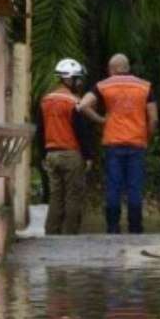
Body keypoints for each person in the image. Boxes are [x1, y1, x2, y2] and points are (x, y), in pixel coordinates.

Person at [78, 53, 157, 234]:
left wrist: (100, 120)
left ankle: (113, 228)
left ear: (112, 69)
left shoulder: (104, 85)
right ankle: (135, 228)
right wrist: (147, 136)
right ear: (127, 67)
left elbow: (82, 106)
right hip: (137, 144)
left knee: (113, 186)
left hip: (113, 144)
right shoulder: (145, 87)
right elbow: (153, 119)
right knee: (134, 187)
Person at [36, 58, 93, 235]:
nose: (80, 82)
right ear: (69, 79)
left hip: (51, 155)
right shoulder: (74, 102)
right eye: (77, 79)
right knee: (73, 196)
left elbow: (40, 131)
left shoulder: (45, 100)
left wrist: (42, 155)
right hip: (71, 155)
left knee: (55, 197)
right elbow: (81, 132)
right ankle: (69, 238)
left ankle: (51, 234)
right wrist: (88, 155)